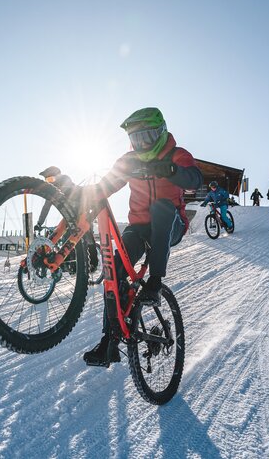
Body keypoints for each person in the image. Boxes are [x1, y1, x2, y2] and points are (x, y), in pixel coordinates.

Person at [82, 107, 202, 367]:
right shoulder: (129, 161)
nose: (141, 144)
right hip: (139, 228)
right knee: (114, 271)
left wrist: (171, 170)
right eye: (136, 140)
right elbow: (107, 185)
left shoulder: (177, 155)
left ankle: (155, 282)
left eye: (146, 137)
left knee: (161, 207)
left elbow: (194, 180)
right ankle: (109, 342)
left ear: (160, 133)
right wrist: (81, 194)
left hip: (171, 224)